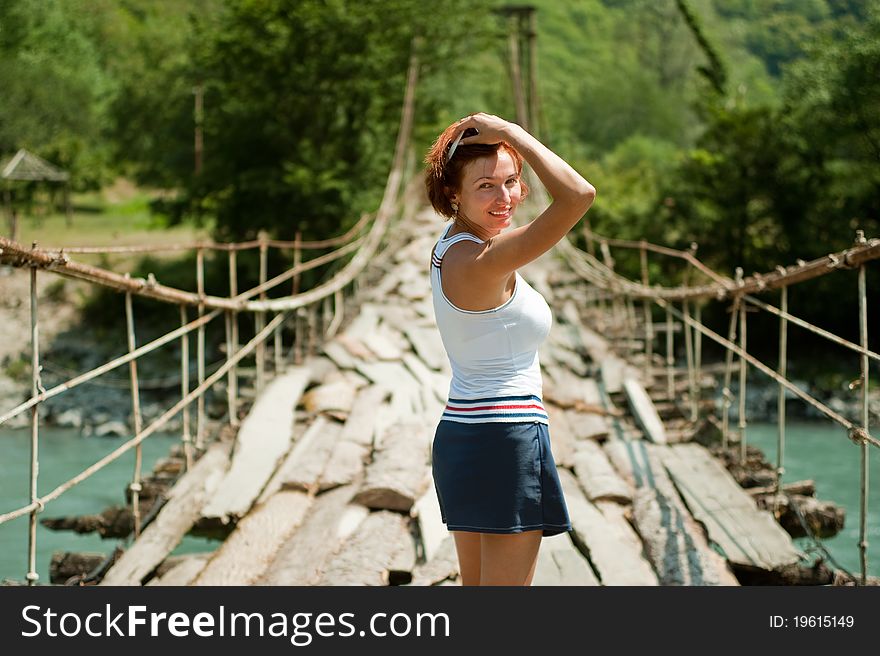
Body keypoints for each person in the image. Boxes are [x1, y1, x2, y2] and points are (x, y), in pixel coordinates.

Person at [424, 112, 596, 586]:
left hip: (463, 436)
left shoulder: (452, 248)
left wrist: (507, 144)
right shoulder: (483, 258)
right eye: (486, 186)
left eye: (512, 182)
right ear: (453, 194)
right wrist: (514, 135)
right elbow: (579, 195)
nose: (505, 199)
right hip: (507, 439)